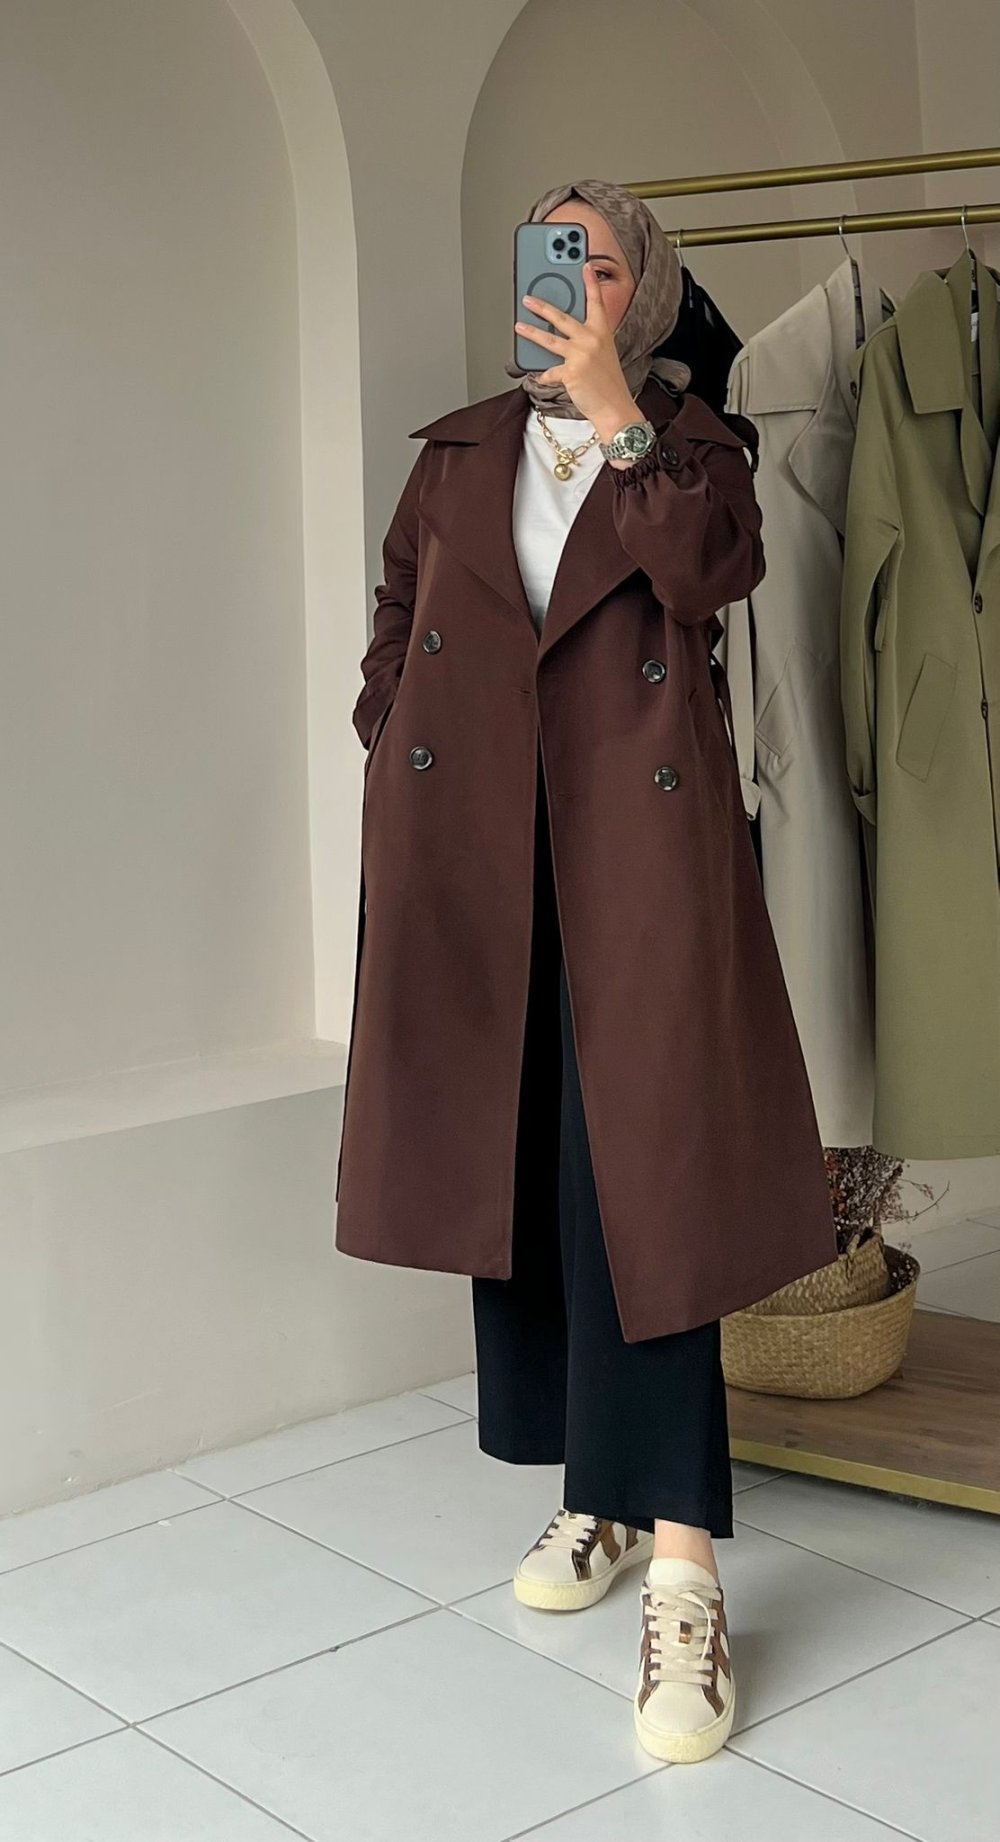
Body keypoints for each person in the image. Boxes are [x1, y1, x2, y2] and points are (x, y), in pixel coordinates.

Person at [335, 177, 838, 1766]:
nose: (565, 285)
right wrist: (392, 737)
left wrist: (623, 416)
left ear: (646, 292)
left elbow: (711, 572)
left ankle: (684, 1572)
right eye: (550, 258)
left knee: (654, 1197)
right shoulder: (460, 449)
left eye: (597, 264)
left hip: (639, 861)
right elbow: (400, 609)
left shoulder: (692, 448)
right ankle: (597, 1494)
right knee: (531, 1173)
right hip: (478, 863)